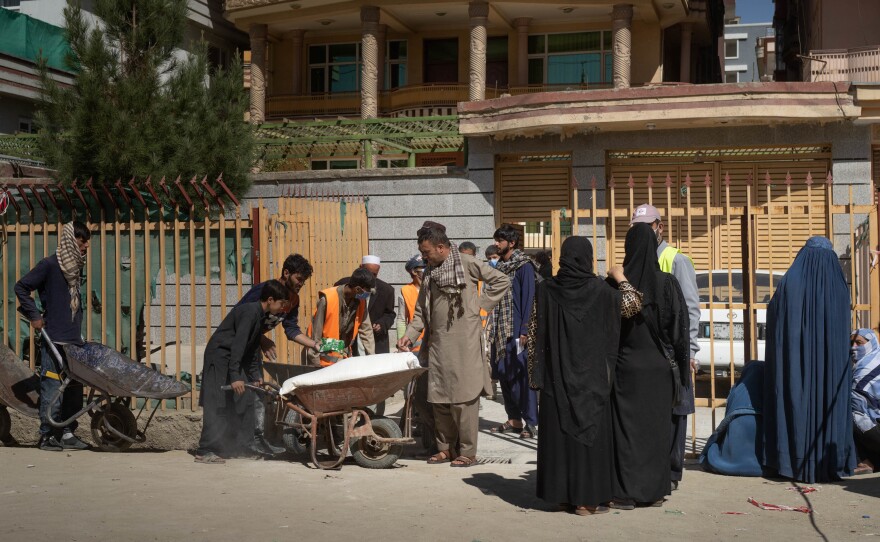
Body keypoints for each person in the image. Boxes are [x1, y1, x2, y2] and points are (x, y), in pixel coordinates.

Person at [528, 236, 642, 516]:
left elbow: (532, 333)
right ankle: (585, 501)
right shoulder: (602, 291)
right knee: (588, 437)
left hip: (557, 380)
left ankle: (563, 497)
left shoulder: (546, 289)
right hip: (592, 381)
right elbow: (633, 305)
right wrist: (620, 277)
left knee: (561, 436)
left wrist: (535, 375)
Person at [398, 221, 509, 467]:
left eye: (426, 252)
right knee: (439, 399)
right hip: (437, 344)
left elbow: (501, 280)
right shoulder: (429, 272)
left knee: (464, 400)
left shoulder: (467, 263)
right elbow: (420, 312)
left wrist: (480, 307)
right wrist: (411, 335)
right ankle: (444, 449)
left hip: (465, 344)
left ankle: (468, 453)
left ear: (441, 247)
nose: (424, 257)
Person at [609, 223, 690, 509]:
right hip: (658, 368)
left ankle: (626, 493)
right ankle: (655, 491)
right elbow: (679, 330)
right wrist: (682, 370)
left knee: (627, 431)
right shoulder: (667, 282)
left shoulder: (616, 283)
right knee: (657, 430)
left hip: (626, 368)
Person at [761, 237, 855, 483]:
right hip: (831, 368)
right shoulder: (838, 285)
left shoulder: (790, 283)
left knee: (795, 397)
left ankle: (791, 461)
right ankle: (830, 462)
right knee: (829, 397)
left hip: (794, 363)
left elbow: (775, 319)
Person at [630, 203, 701, 491]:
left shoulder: (676, 260)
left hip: (672, 347)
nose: (644, 233)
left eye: (648, 227)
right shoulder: (632, 260)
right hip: (646, 350)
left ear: (660, 226)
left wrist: (691, 351)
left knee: (676, 409)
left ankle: (672, 471)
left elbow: (690, 309)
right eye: (638, 228)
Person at [15, 221, 92, 452]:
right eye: (82, 241)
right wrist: (35, 316)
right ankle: (47, 435)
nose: (85, 246)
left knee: (74, 388)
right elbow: (21, 287)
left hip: (73, 340)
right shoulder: (49, 265)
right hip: (54, 338)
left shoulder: (75, 268)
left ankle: (67, 432)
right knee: (52, 386)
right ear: (71, 240)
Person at [195, 279, 290, 464]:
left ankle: (232, 445)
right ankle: (205, 450)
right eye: (281, 304)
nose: (281, 309)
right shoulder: (249, 312)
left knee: (242, 399)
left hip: (231, 359)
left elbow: (252, 349)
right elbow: (238, 346)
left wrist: (256, 377)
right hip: (220, 357)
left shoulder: (259, 316)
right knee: (217, 401)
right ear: (270, 300)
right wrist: (236, 376)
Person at [236, 253, 318, 456]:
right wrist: (262, 339)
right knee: (242, 393)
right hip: (238, 346)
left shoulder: (293, 300)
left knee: (257, 392)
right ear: (286, 273)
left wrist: (315, 345)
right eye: (299, 279)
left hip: (252, 348)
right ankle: (240, 442)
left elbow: (291, 330)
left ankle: (255, 441)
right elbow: (241, 316)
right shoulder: (265, 291)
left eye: (304, 281)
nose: (301, 284)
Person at [488, 224, 539, 439]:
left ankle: (531, 422)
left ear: (511, 243)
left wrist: (525, 329)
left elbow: (528, 298)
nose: (496, 244)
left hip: (518, 330)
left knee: (521, 376)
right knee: (503, 374)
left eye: (500, 240)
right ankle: (514, 418)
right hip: (500, 330)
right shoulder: (499, 267)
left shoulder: (524, 266)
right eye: (496, 240)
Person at [308, 268, 376, 366]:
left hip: (342, 358)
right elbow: (315, 336)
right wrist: (315, 364)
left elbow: (367, 330)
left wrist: (372, 359)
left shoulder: (360, 301)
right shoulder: (327, 299)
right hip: (322, 361)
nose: (367, 296)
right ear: (357, 289)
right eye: (367, 292)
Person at [336, 256, 395, 354]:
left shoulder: (387, 290)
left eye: (374, 275)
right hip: (349, 344)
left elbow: (390, 314)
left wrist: (382, 324)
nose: (370, 278)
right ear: (360, 268)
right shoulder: (343, 285)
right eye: (367, 272)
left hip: (375, 342)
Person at [851, 328, 880, 475]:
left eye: (859, 343)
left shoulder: (866, 368)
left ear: (871, 343)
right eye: (851, 343)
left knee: (847, 415)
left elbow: (855, 400)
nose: (854, 347)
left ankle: (863, 461)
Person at [396, 255, 426, 354]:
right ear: (414, 272)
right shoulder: (405, 291)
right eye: (424, 267)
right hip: (415, 346)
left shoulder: (432, 287)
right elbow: (401, 319)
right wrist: (401, 344)